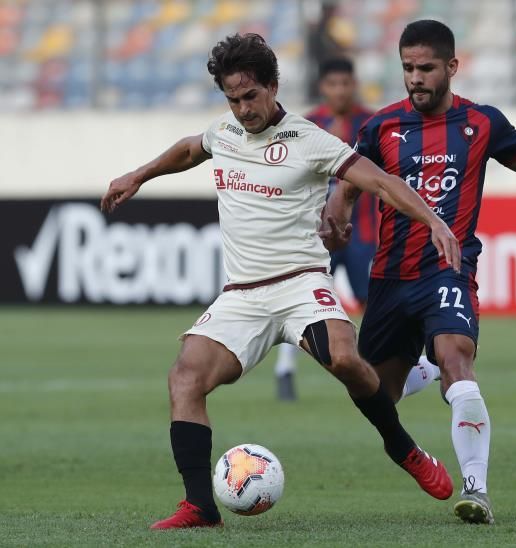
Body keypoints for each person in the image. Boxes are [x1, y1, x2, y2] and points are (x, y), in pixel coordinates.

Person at [100, 33, 459, 530]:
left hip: (300, 285)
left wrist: (434, 222)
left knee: (346, 359)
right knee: (185, 377)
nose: (243, 109)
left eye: (251, 96)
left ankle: (404, 448)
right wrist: (137, 176)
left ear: (272, 86)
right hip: (242, 295)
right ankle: (201, 507)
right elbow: (188, 150)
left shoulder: (308, 139)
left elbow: (379, 181)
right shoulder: (223, 132)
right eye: (232, 99)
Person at [323, 20, 516, 524]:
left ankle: (477, 489)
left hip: (448, 272)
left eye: (426, 68)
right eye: (407, 68)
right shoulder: (381, 126)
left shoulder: (481, 123)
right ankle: (422, 369)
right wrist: (337, 211)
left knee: (459, 364)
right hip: (388, 280)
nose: (415, 78)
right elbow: (350, 178)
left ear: (452, 67)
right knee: (373, 395)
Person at [272, 57, 377, 401]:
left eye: (346, 84)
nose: (340, 91)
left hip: (361, 232)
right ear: (323, 87)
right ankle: (285, 368)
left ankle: (382, 365)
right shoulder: (306, 125)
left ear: (354, 84)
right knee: (303, 300)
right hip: (314, 235)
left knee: (371, 303)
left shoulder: (371, 123)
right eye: (333, 84)